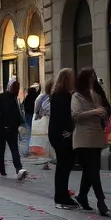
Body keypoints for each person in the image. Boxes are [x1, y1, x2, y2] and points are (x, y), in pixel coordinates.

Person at [71, 68, 110, 215]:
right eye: (90, 77)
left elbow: (104, 109)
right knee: (92, 169)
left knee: (90, 170)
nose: (93, 80)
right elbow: (76, 115)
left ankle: (82, 196)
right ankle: (101, 200)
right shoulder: (77, 96)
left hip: (96, 136)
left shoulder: (96, 95)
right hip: (83, 137)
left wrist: (104, 113)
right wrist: (95, 112)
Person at [48, 69, 79, 209]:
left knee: (64, 164)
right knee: (64, 164)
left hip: (57, 133)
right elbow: (63, 117)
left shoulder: (58, 95)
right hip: (61, 135)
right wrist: (68, 130)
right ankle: (61, 197)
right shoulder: (62, 96)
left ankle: (61, 195)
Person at [0, 80, 28, 180]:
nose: (16, 90)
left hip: (9, 129)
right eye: (15, 87)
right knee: (7, 149)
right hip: (4, 128)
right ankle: (10, 169)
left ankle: (16, 169)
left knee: (9, 149)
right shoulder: (4, 98)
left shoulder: (14, 99)